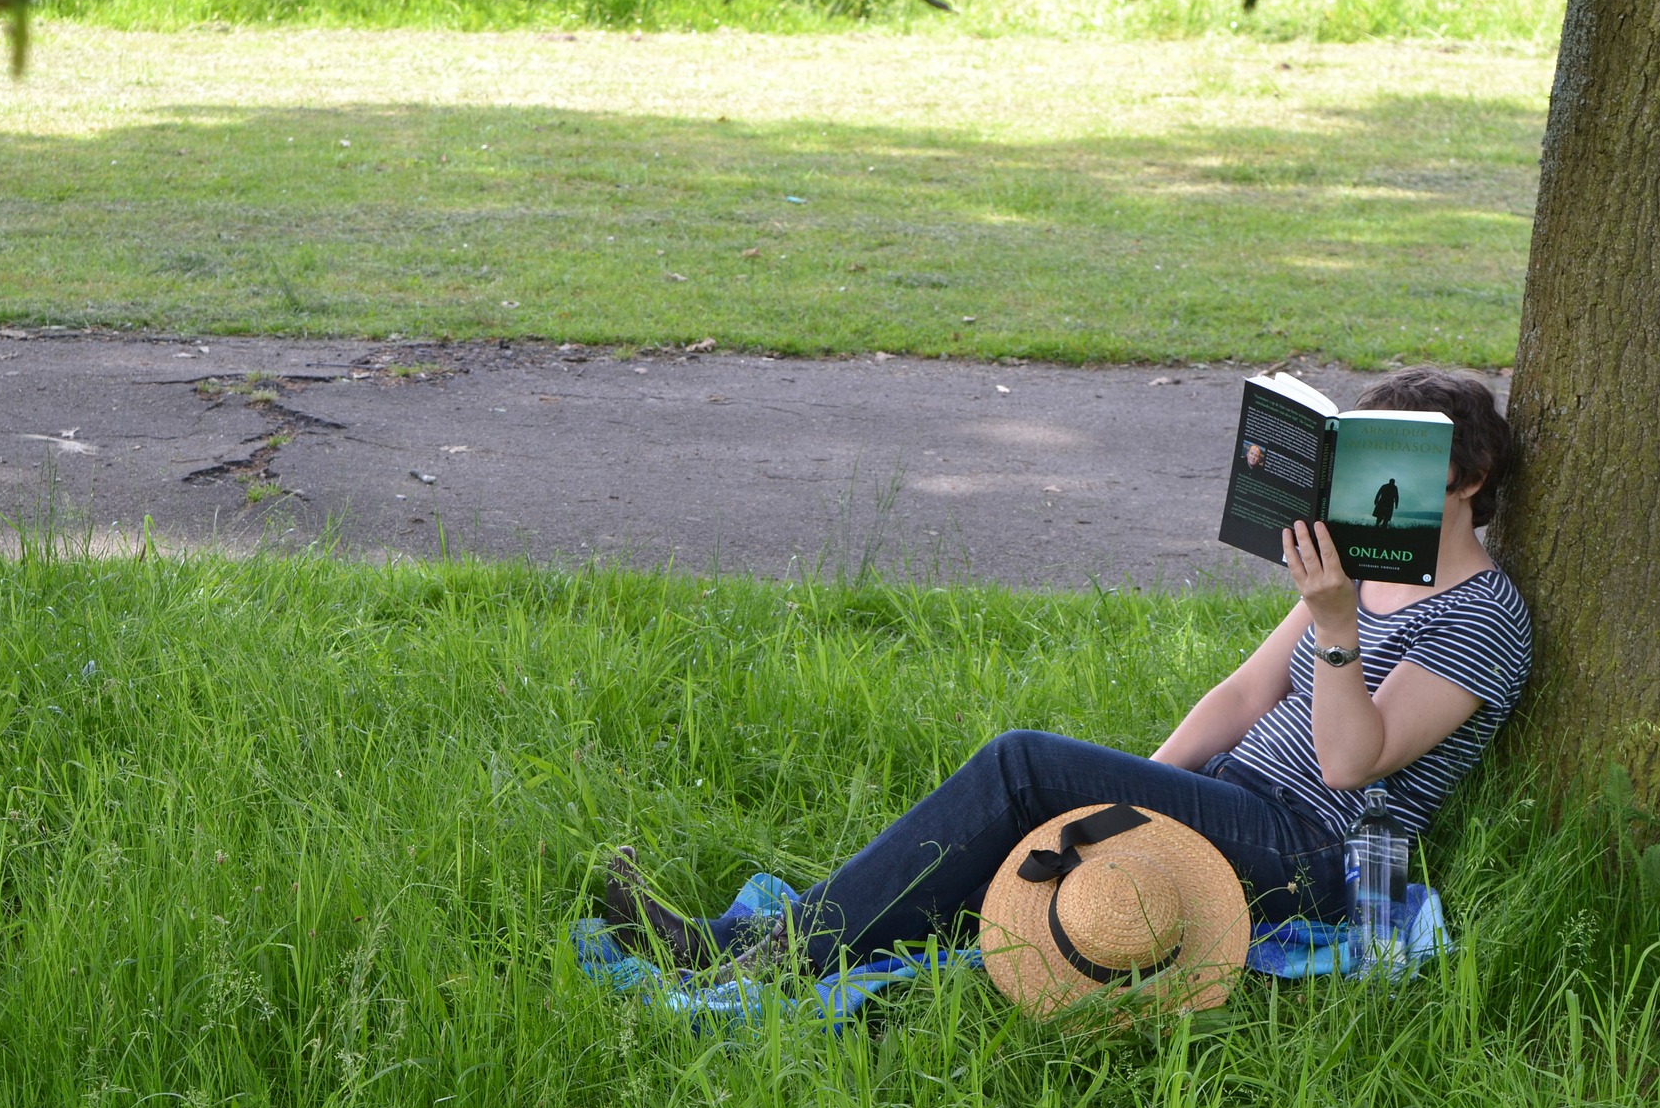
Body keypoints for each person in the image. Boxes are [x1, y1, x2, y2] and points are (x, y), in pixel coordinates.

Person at [606, 367, 1531, 981]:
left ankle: (770, 951)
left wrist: (1335, 627)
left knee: (1022, 764)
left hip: (1313, 853)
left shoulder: (1485, 615)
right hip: (1231, 796)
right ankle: (825, 936)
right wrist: (1145, 790)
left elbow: (1348, 764)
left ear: (1468, 476)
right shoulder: (1364, 569)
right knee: (1042, 797)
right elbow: (1246, 694)